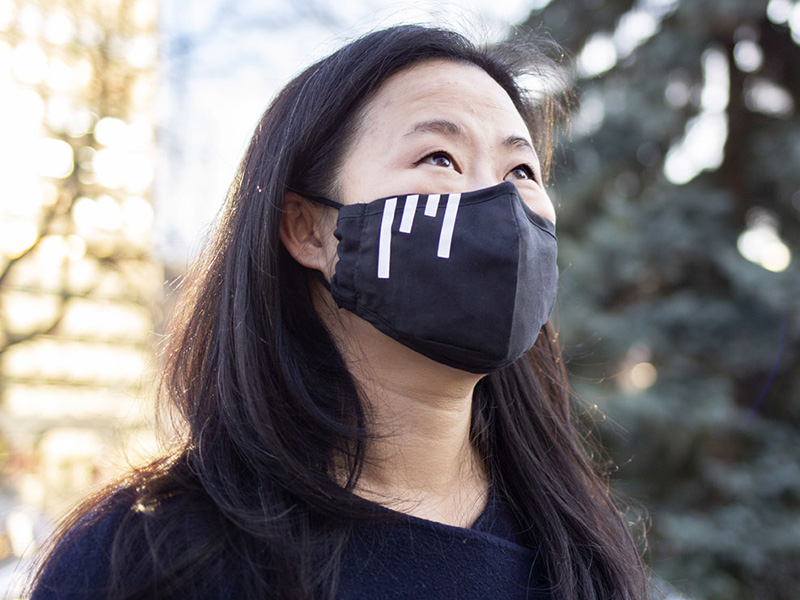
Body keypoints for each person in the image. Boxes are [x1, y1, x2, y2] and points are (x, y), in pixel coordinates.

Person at [28, 24, 649, 600]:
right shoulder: (141, 559)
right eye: (440, 159)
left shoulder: (576, 550)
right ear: (309, 230)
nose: (500, 205)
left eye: (521, 169)